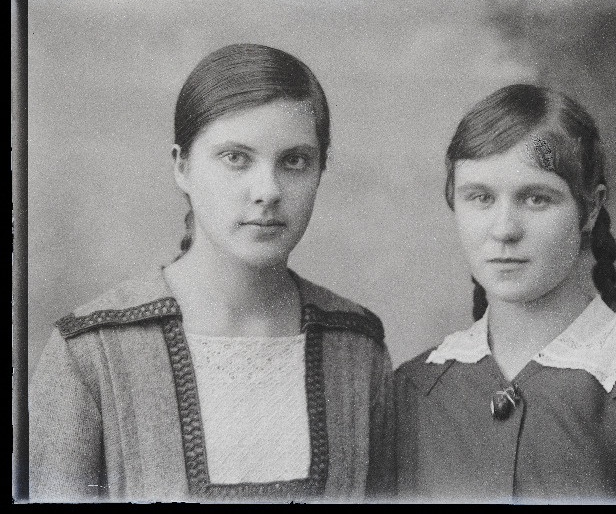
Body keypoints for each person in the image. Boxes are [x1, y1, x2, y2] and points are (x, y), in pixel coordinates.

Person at [29, 44, 394, 502]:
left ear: (321, 169)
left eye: (294, 161)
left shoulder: (358, 348)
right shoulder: (91, 353)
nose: (267, 191)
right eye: (236, 158)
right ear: (181, 166)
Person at [394, 84, 616, 503]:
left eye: (537, 198)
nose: (504, 229)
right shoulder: (414, 391)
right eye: (480, 197)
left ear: (590, 208)